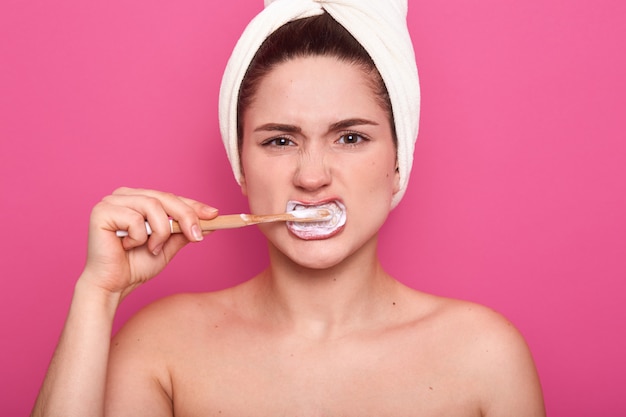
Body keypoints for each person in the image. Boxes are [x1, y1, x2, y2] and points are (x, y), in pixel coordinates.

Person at [31, 0, 545, 416]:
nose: (312, 175)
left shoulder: (484, 356)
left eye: (349, 137)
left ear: (398, 162)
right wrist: (96, 295)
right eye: (279, 141)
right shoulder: (162, 347)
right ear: (242, 167)